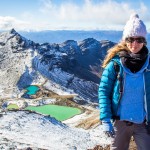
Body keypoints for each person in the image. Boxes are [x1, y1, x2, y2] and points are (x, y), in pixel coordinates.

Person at [98, 13, 150, 150]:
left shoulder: (149, 65)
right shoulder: (115, 66)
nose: (134, 44)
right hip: (120, 122)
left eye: (139, 40)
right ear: (125, 40)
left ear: (144, 41)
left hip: (143, 123)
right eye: (130, 39)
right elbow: (104, 91)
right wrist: (105, 119)